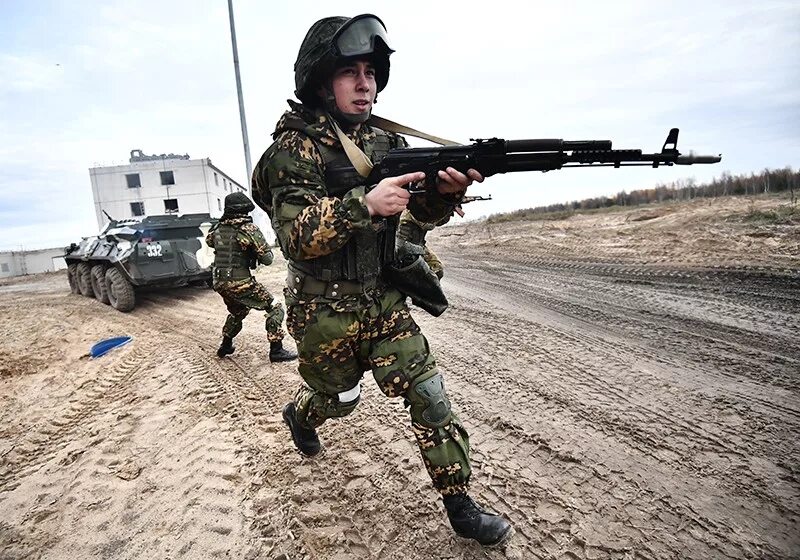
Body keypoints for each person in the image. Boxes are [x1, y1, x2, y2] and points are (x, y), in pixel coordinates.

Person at [251, 14, 512, 546]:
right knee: (338, 401)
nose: (364, 82)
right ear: (322, 81)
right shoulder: (291, 152)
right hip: (325, 313)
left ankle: (461, 506)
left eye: (371, 71)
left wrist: (444, 193)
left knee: (431, 398)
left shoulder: (383, 141)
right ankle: (303, 414)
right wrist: (361, 205)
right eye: (350, 71)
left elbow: (420, 215)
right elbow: (296, 239)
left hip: (386, 302)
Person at [207, 192, 297, 362]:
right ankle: (276, 350)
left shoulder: (217, 228)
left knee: (238, 311)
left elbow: (210, 241)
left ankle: (226, 345)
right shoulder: (248, 229)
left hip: (219, 281)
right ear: (244, 210)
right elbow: (268, 259)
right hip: (239, 282)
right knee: (275, 307)